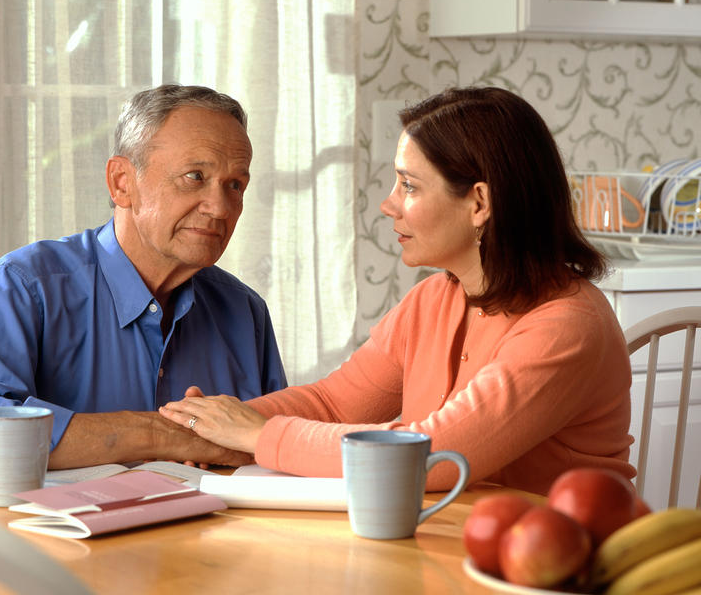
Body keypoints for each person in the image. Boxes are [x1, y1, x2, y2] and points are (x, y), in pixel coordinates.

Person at [160, 86, 636, 496]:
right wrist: (216, 426)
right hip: (453, 543)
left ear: (479, 203)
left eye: (409, 185)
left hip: (560, 566)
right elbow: (333, 404)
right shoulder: (433, 300)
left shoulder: (567, 326)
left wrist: (257, 434)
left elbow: (433, 455)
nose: (389, 205)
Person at [0, 84, 287, 472]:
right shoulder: (22, 287)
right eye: (195, 176)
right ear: (122, 183)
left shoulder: (245, 311)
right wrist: (159, 435)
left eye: (235, 185)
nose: (220, 207)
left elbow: (278, 447)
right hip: (55, 533)